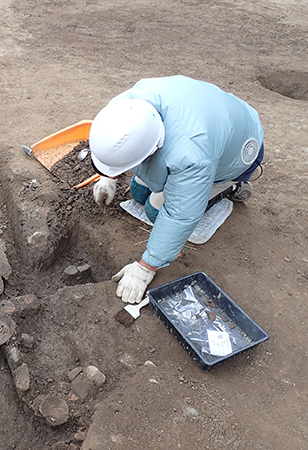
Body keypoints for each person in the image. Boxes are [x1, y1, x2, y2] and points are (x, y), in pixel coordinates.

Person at [89, 75, 264, 304]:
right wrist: (107, 175)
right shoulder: (127, 106)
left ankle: (230, 187)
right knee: (139, 193)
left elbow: (181, 215)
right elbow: (118, 139)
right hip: (211, 120)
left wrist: (146, 267)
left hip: (237, 150)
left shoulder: (192, 155)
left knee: (154, 212)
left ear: (151, 150)